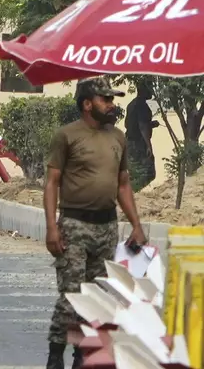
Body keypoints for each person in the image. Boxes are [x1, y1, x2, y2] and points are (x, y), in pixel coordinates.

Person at [43, 77, 147, 369]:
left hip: (107, 226)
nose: (112, 105)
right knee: (71, 297)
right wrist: (52, 226)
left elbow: (123, 184)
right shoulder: (67, 136)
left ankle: (82, 356)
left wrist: (136, 224)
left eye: (113, 100)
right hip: (74, 225)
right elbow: (52, 182)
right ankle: (55, 356)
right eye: (106, 100)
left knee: (97, 298)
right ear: (87, 104)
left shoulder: (118, 137)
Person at [124, 81, 158, 191]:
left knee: (135, 172)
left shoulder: (131, 104)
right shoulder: (142, 105)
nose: (152, 91)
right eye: (150, 88)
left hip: (129, 142)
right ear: (144, 90)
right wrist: (149, 146)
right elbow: (142, 127)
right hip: (138, 143)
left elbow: (129, 124)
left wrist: (151, 124)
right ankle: (131, 193)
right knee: (148, 173)